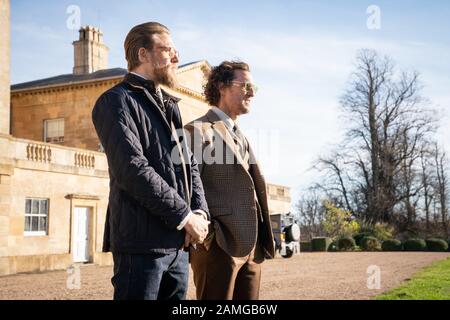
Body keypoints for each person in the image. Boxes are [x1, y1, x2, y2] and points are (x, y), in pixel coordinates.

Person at [91, 22, 209, 300]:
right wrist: (184, 216)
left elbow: (188, 165)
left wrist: (200, 213)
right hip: (141, 246)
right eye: (168, 50)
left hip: (178, 245)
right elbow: (132, 169)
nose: (176, 57)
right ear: (143, 54)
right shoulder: (114, 102)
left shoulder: (171, 106)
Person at [184, 61, 275, 300]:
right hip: (218, 247)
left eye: (253, 86)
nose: (252, 92)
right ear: (222, 86)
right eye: (245, 85)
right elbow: (187, 188)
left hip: (253, 249)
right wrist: (210, 238)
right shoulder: (197, 130)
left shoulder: (241, 136)